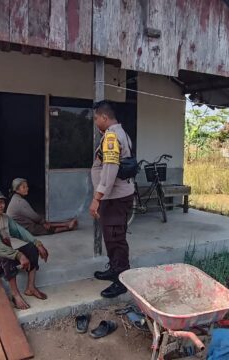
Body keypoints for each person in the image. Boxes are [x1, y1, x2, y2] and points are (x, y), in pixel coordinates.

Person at [89, 100, 134, 298]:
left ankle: (122, 280)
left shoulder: (111, 137)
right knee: (111, 236)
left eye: (96, 118)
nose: (95, 122)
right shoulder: (119, 133)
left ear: (104, 117)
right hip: (115, 196)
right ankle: (114, 269)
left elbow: (109, 170)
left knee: (116, 238)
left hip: (114, 197)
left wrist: (97, 198)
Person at [0, 189, 50, 310]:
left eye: (1, 202)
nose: (0, 205)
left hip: (7, 258)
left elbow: (20, 232)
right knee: (7, 256)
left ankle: (30, 287)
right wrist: (19, 255)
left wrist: (37, 243)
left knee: (32, 247)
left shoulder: (5, 218)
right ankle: (15, 295)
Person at [7, 178, 78, 235]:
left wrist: (42, 221)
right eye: (24, 187)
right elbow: (34, 216)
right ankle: (68, 227)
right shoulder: (19, 201)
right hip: (22, 229)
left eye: (27, 186)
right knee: (47, 228)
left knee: (43, 221)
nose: (27, 188)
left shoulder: (15, 198)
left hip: (20, 226)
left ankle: (67, 223)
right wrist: (43, 222)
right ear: (17, 190)